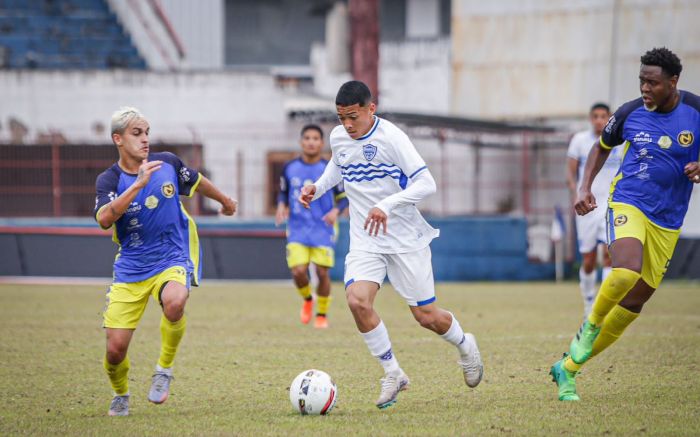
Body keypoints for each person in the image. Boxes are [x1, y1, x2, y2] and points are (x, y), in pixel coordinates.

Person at [299, 81, 483, 409]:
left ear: (372, 109)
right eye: (342, 118)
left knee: (426, 316)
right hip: (365, 238)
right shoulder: (339, 136)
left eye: (353, 116)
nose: (347, 125)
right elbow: (338, 167)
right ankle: (393, 372)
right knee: (357, 301)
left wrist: (386, 205)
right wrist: (318, 187)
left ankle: (465, 345)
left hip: (404, 240)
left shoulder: (393, 138)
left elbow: (427, 183)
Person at [551, 47, 700, 401]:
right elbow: (602, 147)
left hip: (668, 219)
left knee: (634, 305)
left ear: (673, 82)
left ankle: (568, 368)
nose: (645, 89)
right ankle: (588, 328)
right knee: (625, 270)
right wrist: (585, 186)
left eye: (653, 83)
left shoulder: (695, 110)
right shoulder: (630, 113)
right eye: (641, 82)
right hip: (629, 201)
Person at [94, 107, 237, 416]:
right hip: (131, 267)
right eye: (136, 133)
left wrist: (225, 201)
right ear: (118, 139)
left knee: (175, 300)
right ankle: (120, 394)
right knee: (115, 350)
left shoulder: (168, 163)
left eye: (146, 132)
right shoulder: (109, 179)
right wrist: (137, 185)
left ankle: (164, 369)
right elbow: (105, 219)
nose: (145, 139)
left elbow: (197, 182)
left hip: (171, 256)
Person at [275, 124, 349, 328]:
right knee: (298, 271)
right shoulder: (289, 168)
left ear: (322, 143)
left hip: (323, 227)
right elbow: (283, 191)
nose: (311, 142)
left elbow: (344, 197)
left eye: (315, 138)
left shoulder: (330, 169)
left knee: (322, 272)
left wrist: (336, 211)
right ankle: (308, 299)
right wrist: (281, 205)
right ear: (301, 142)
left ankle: (322, 314)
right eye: (307, 138)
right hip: (297, 226)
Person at [566, 103, 623, 317]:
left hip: (611, 205)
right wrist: (576, 194)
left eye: (603, 116)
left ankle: (602, 308)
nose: (599, 120)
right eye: (595, 116)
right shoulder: (580, 141)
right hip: (587, 208)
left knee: (610, 255)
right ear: (590, 119)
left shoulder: (619, 140)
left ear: (609, 118)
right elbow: (570, 174)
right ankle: (588, 302)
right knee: (588, 259)